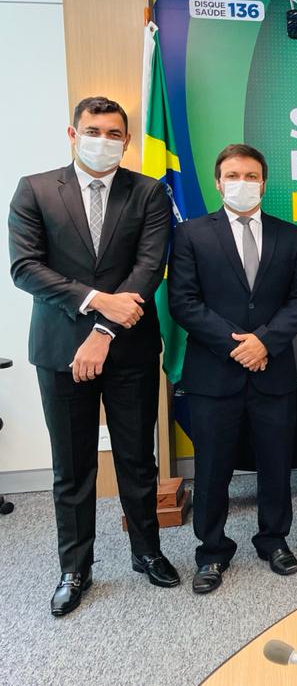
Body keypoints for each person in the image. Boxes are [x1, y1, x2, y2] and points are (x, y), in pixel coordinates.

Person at [8, 96, 180, 616]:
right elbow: (25, 268)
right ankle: (75, 567)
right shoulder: (35, 189)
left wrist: (103, 331)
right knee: (73, 465)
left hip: (129, 349)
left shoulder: (149, 192)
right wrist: (95, 301)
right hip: (60, 350)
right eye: (93, 131)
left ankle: (146, 552)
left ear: (126, 141)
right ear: (72, 133)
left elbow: (149, 268)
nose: (102, 141)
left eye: (113, 134)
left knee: (136, 458)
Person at [168, 144, 297, 594]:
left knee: (276, 463)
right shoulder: (191, 234)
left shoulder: (290, 235)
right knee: (213, 467)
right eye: (233, 175)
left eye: (251, 176)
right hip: (214, 374)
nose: (242, 183)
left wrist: (264, 341)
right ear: (218, 182)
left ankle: (274, 540)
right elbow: (183, 302)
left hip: (273, 370)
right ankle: (212, 551)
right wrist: (238, 346)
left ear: (263, 183)